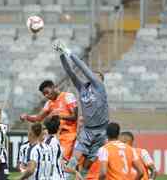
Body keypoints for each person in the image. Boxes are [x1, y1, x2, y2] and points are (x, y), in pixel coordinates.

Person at [53, 40, 109, 175]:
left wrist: (68, 52)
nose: (95, 77)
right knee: (75, 158)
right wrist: (62, 55)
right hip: (87, 131)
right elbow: (70, 73)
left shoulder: (100, 88)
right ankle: (65, 177)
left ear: (101, 80)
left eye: (99, 77)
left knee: (88, 164)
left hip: (102, 131)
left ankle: (81, 176)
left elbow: (83, 68)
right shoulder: (83, 88)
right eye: (95, 75)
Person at [20, 80, 78, 162]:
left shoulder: (68, 96)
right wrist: (27, 117)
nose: (46, 95)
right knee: (51, 161)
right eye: (44, 94)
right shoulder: (49, 103)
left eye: (47, 92)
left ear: (53, 87)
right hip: (55, 136)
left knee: (62, 162)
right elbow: (38, 118)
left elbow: (75, 116)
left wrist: (59, 116)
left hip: (68, 136)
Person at [43, 116, 83, 180]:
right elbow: (62, 166)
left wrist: (75, 172)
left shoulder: (48, 141)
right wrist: (75, 172)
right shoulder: (54, 143)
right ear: (59, 127)